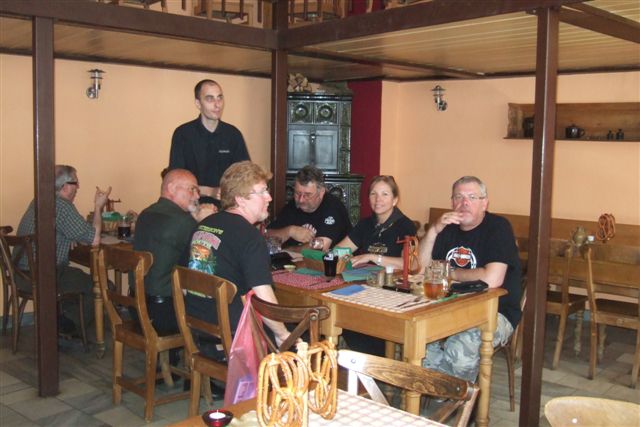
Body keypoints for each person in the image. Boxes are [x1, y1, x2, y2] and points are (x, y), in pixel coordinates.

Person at [419, 176, 522, 382]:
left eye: (472, 197)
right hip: (448, 307)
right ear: (452, 202)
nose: (464, 203)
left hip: (495, 312)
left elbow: (491, 279)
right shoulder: (447, 227)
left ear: (485, 203)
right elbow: (421, 269)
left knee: (460, 347)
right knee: (418, 340)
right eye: (458, 197)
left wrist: (450, 272)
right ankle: (434, 390)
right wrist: (433, 230)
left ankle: (453, 396)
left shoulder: (498, 227)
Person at [185, 161, 290, 361]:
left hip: (199, 331)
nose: (269, 197)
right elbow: (264, 298)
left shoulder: (203, 225)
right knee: (304, 334)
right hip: (236, 341)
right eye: (262, 192)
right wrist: (283, 334)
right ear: (241, 200)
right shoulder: (249, 236)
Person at [17, 164, 111, 334]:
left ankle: (60, 320)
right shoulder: (62, 206)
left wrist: (69, 236)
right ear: (65, 186)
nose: (78, 187)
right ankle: (67, 325)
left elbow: (62, 228)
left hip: (21, 275)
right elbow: (95, 239)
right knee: (104, 286)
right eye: (75, 183)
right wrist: (98, 207)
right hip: (44, 277)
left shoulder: (40, 200)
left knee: (77, 279)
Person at [132, 169, 215, 338]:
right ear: (171, 188)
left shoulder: (146, 214)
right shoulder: (183, 222)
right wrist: (207, 223)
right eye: (192, 189)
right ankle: (205, 351)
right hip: (166, 313)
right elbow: (207, 260)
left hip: (137, 307)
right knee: (222, 303)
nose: (197, 196)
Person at [169, 79, 250, 205]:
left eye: (220, 98)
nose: (217, 105)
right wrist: (210, 191)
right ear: (198, 103)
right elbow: (176, 181)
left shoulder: (233, 134)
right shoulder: (183, 134)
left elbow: (245, 176)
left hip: (226, 207)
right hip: (191, 206)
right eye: (210, 99)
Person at [336, 175, 416, 269]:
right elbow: (338, 251)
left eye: (385, 194)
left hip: (393, 277)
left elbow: (410, 264)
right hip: (366, 276)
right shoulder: (364, 224)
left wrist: (371, 257)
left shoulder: (406, 226)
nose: (378, 199)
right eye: (373, 194)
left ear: (394, 200)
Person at [266, 165, 351, 252]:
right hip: (294, 259)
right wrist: (289, 231)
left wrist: (288, 250)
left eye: (308, 195)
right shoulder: (293, 205)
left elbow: (320, 248)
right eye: (297, 193)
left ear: (321, 192)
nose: (301, 200)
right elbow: (266, 236)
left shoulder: (333, 207)